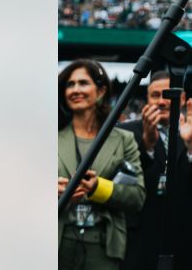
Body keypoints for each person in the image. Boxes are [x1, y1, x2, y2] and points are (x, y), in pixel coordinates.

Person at [119, 70, 192, 270]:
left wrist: (191, 147)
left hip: (190, 241)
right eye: (155, 95)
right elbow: (123, 185)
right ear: (147, 99)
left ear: (183, 98)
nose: (161, 101)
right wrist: (148, 147)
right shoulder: (125, 134)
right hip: (141, 240)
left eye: (169, 95)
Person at [58, 59, 146, 270]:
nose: (75, 89)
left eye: (83, 83)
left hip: (104, 246)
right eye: (70, 84)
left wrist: (98, 188)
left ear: (100, 91)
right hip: (58, 242)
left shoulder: (124, 140)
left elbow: (137, 197)